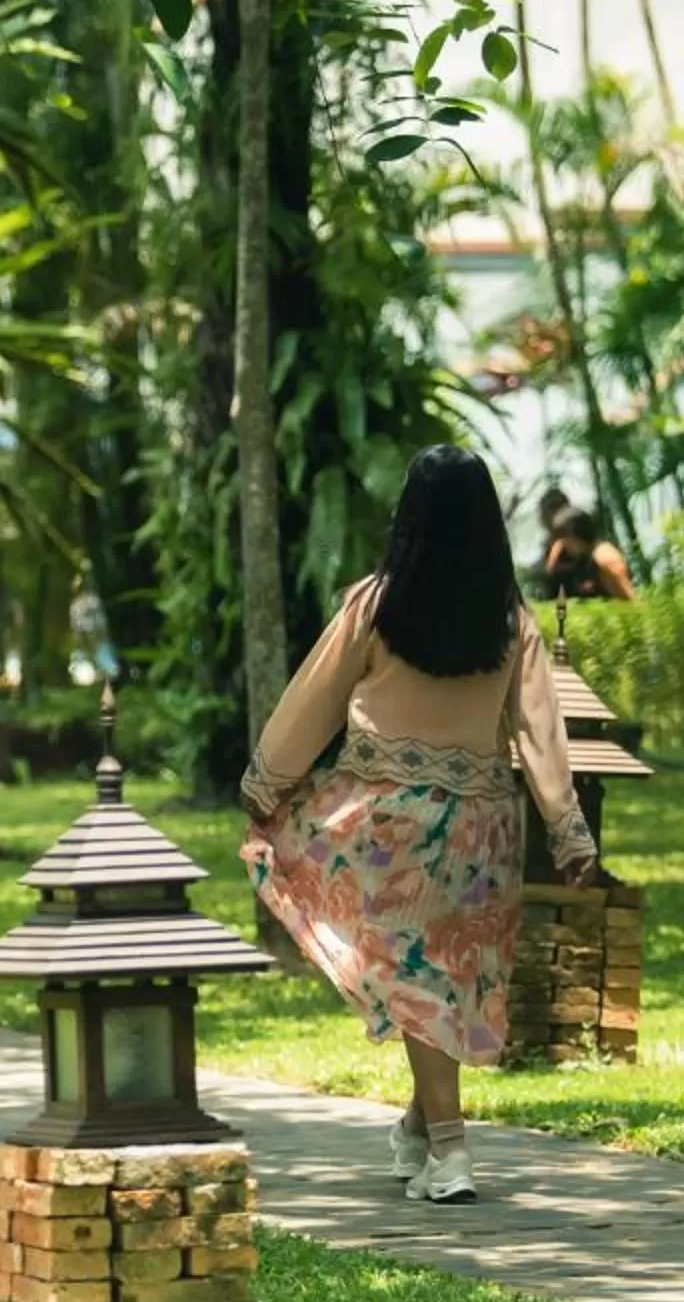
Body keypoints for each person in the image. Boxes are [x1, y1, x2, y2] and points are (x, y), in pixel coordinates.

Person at [237, 446, 598, 1204]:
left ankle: (452, 1150)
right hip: (481, 832)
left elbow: (315, 700)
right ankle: (420, 1128)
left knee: (422, 982)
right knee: (445, 980)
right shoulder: (511, 618)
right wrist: (567, 831)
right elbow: (539, 729)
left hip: (385, 829)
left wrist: (268, 783)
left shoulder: (376, 604)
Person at [543, 505, 637, 601]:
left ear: (576, 534)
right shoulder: (583, 556)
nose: (564, 545)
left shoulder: (603, 557)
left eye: (565, 539)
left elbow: (629, 599)